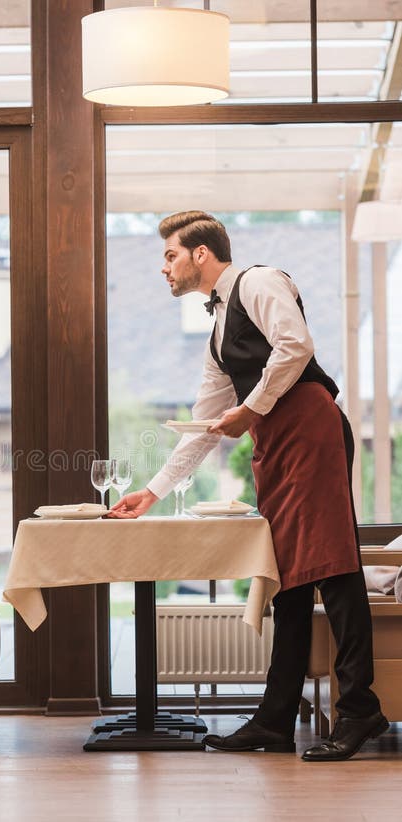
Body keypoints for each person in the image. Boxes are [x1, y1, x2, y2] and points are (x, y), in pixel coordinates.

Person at [109, 210, 388, 762]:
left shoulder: (260, 281)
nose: (163, 268)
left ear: (201, 254)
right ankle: (275, 718)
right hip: (275, 446)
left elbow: (296, 346)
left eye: (170, 255)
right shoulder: (217, 334)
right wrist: (154, 491)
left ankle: (360, 710)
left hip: (309, 428)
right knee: (286, 579)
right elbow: (205, 424)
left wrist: (250, 408)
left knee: (332, 566)